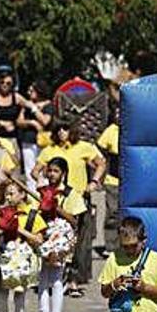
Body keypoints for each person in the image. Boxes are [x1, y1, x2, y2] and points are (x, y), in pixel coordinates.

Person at [32, 122, 106, 296]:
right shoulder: (49, 150)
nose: (61, 133)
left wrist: (94, 181)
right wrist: (42, 182)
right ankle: (54, 278)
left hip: (78, 199)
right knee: (54, 238)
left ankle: (74, 280)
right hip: (55, 200)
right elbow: (35, 171)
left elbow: (101, 163)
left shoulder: (84, 147)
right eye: (58, 130)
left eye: (65, 129)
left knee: (80, 241)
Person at [35, 157, 83, 312]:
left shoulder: (70, 193)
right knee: (42, 279)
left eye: (56, 171)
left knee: (56, 279)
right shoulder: (40, 191)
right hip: (44, 235)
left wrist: (57, 208)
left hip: (61, 239)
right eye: (50, 171)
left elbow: (75, 220)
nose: (52, 174)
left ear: (63, 173)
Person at [0, 179, 45, 312]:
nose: (8, 197)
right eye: (6, 194)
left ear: (22, 194)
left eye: (12, 193)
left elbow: (39, 239)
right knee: (2, 293)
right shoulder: (0, 213)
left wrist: (18, 229)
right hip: (5, 256)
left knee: (20, 293)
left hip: (23, 257)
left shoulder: (31, 214)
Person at [15, 80, 53, 191]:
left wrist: (34, 109)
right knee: (29, 169)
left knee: (44, 168)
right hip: (28, 140)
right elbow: (19, 121)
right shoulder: (27, 104)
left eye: (32, 90)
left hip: (43, 141)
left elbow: (45, 121)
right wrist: (32, 123)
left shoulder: (48, 105)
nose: (29, 92)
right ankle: (32, 193)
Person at [97, 111, 120, 256]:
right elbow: (100, 148)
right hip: (113, 179)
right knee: (113, 213)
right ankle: (111, 246)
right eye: (116, 113)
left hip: (132, 180)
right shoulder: (111, 130)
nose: (118, 115)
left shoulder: (134, 127)